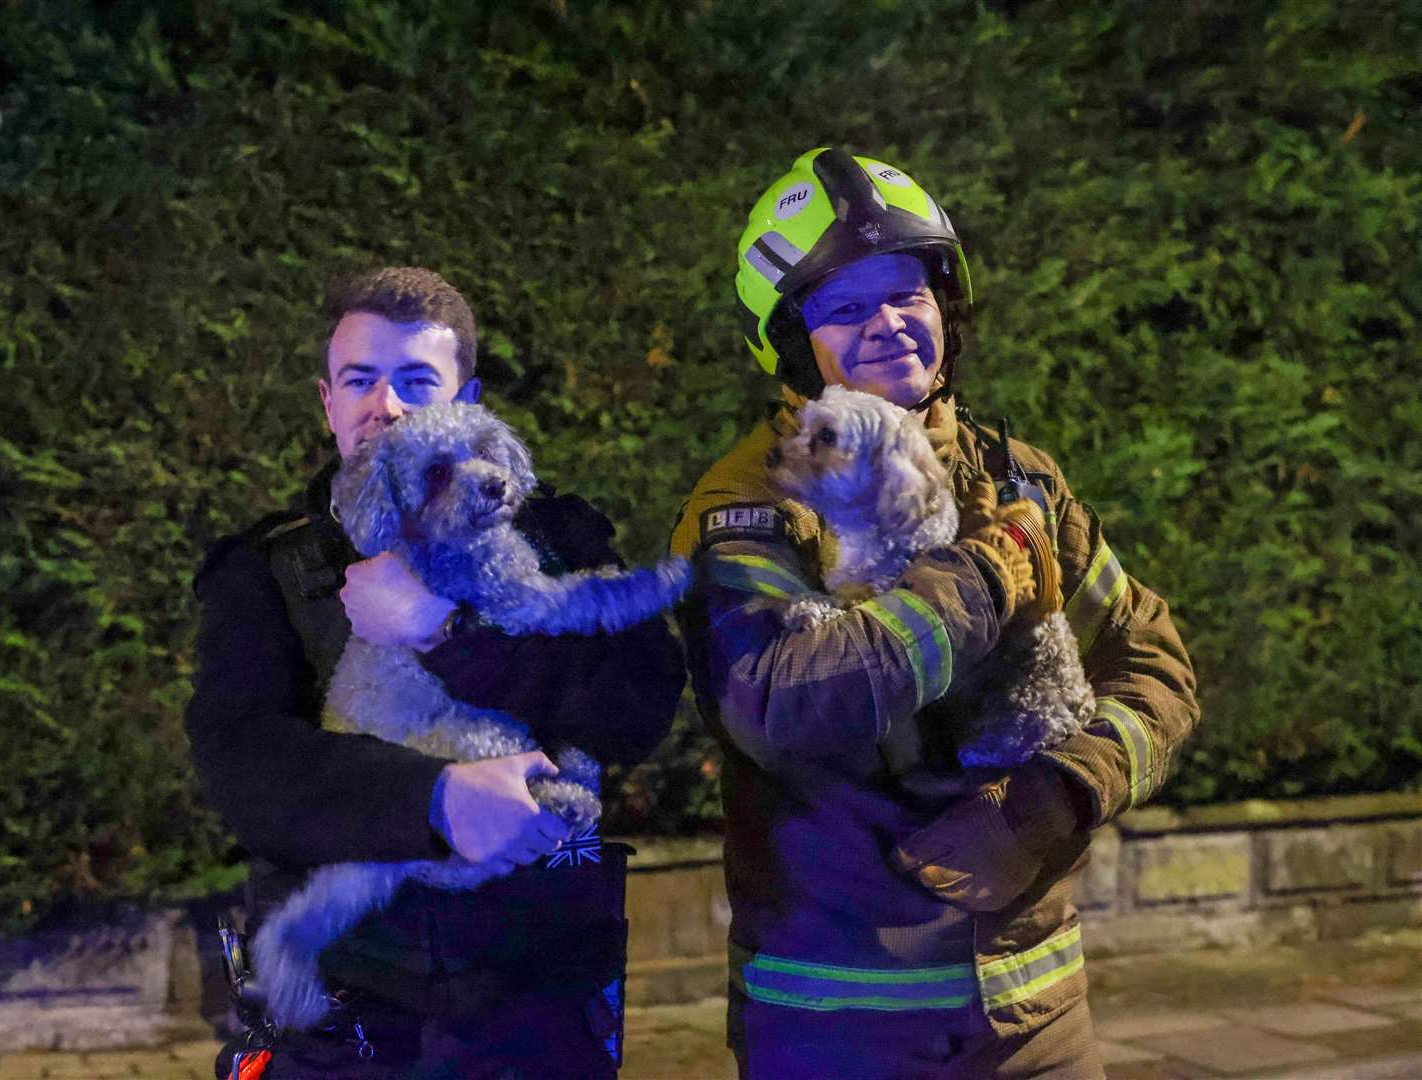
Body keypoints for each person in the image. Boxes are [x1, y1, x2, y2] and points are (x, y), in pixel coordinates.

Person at [670, 149, 1199, 1078]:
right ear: (791, 342)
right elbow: (781, 709)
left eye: (907, 293)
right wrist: (989, 574)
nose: (889, 325)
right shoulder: (756, 505)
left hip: (1040, 1018)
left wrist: (1056, 795)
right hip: (839, 1026)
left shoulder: (1020, 476)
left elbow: (1155, 667)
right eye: (844, 307)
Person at [187, 266, 686, 1079]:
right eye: (360, 381)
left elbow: (637, 707)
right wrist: (436, 800)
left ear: (469, 400)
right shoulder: (267, 569)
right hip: (345, 1013)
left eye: (417, 380)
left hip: (533, 999)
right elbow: (242, 761)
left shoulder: (557, 542)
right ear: (327, 401)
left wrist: (443, 633)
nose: (386, 405)